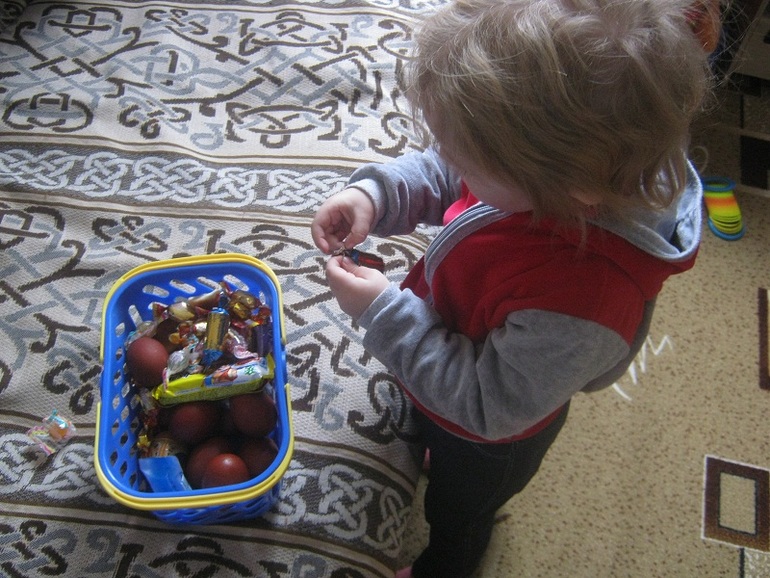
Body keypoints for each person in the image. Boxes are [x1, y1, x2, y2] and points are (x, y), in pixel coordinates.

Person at [311, 1, 713, 576]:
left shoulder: (585, 303)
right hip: (461, 342)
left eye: (469, 161)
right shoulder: (547, 172)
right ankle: (431, 436)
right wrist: (377, 196)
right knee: (435, 423)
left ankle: (449, 565)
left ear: (567, 187)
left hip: (490, 440)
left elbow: (486, 407)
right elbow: (448, 170)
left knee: (459, 511)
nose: (453, 163)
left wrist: (382, 313)